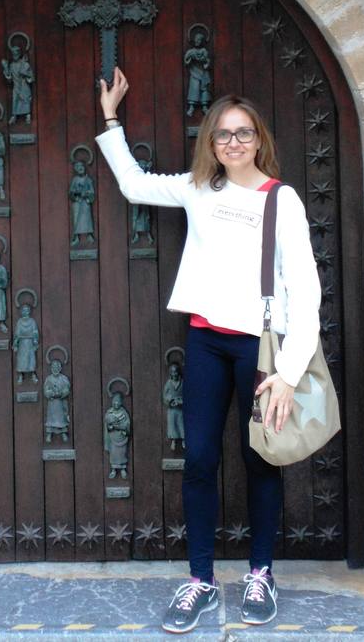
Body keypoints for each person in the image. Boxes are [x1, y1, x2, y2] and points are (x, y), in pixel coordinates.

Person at [96, 67, 321, 634]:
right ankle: (200, 580)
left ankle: (260, 573)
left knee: (260, 457)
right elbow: (135, 184)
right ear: (211, 143)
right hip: (205, 342)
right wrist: (110, 118)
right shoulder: (199, 189)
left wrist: (289, 374)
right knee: (199, 459)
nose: (233, 142)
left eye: (243, 133)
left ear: (259, 139)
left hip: (260, 352)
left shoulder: (282, 200)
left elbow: (307, 291)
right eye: (223, 134)